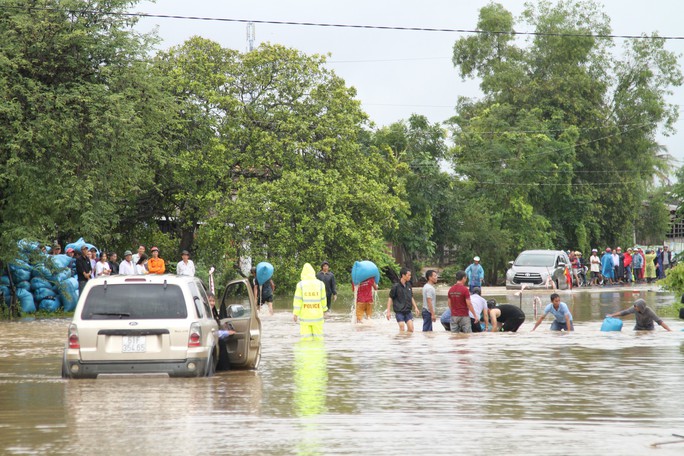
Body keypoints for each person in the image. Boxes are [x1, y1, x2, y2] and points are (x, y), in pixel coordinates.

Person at [293, 263, 328, 340]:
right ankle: (319, 351)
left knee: (305, 340)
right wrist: (325, 310)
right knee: (319, 339)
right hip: (318, 317)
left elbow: (298, 300)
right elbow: (323, 299)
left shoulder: (300, 285)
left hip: (305, 317)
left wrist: (295, 314)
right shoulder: (321, 284)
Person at [385, 267, 419, 332]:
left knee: (411, 329)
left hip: (408, 311)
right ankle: (401, 341)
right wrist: (388, 311)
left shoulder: (409, 285)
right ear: (403, 275)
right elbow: (390, 298)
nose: (410, 276)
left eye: (410, 275)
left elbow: (411, 297)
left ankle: (407, 340)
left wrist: (416, 307)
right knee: (402, 327)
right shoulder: (395, 286)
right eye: (408, 275)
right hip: (399, 311)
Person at [607, 298, 671, 331]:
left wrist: (669, 330)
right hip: (638, 327)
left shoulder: (649, 311)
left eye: (636, 306)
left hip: (649, 328)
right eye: (634, 306)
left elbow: (659, 321)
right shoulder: (634, 309)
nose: (634, 307)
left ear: (641, 307)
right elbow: (624, 312)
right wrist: (612, 315)